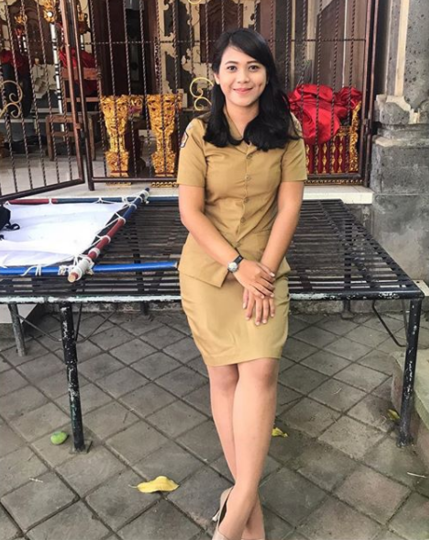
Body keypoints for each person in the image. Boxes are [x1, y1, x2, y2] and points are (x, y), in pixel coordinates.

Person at [176, 28, 307, 540]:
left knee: (262, 370)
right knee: (224, 378)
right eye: (231, 67)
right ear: (216, 76)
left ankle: (233, 517)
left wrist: (261, 275)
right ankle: (249, 513)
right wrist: (237, 266)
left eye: (253, 67)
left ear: (266, 75)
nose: (242, 77)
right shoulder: (198, 134)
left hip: (265, 272)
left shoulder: (288, 131)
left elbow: (289, 207)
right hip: (210, 272)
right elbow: (190, 212)